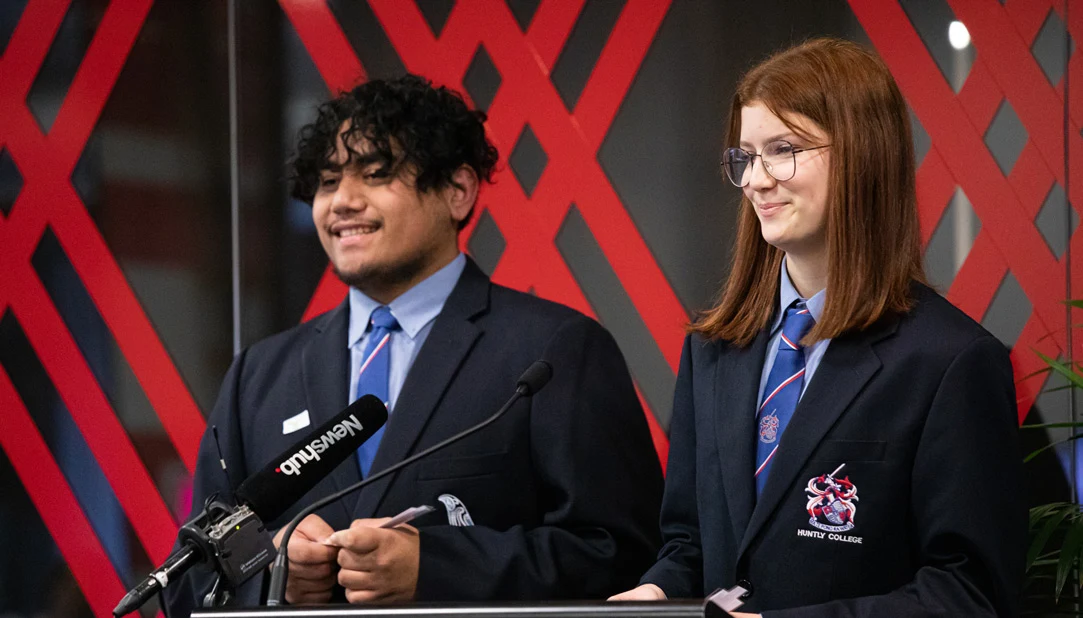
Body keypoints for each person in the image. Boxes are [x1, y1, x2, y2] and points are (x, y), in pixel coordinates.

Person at [163, 74, 663, 616]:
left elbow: (625, 557)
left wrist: (434, 566)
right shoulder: (259, 375)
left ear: (458, 190)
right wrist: (272, 574)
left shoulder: (556, 350)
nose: (343, 202)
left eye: (377, 174)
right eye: (328, 182)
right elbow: (186, 582)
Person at [610, 38, 1024, 616]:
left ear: (863, 155)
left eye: (782, 149)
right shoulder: (713, 349)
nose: (756, 180)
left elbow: (970, 591)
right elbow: (692, 545)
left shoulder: (951, 361)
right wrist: (655, 593)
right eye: (745, 156)